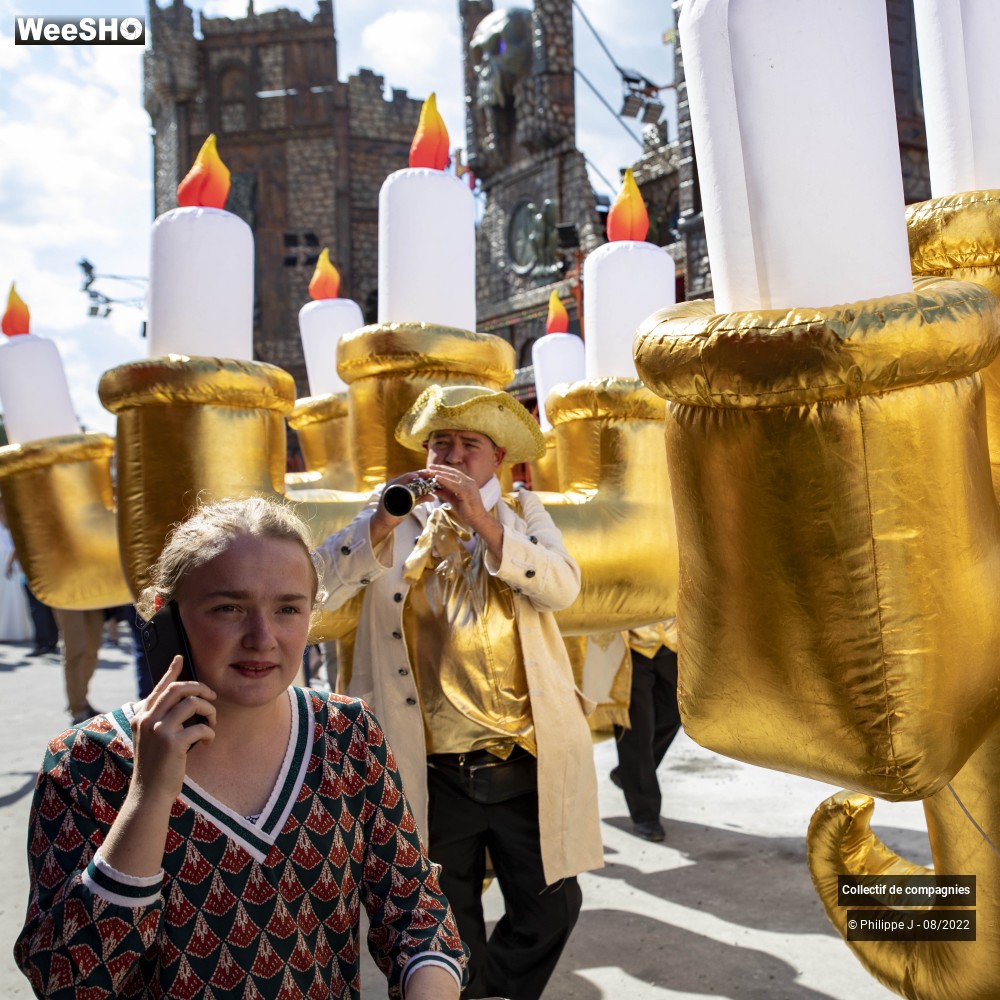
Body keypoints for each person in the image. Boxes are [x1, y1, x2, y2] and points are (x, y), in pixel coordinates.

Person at [15, 497, 468, 999]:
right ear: (166, 619)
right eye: (229, 607)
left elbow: (415, 912)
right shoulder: (87, 760)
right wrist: (149, 795)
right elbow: (66, 980)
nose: (262, 637)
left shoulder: (348, 735)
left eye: (287, 609)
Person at [318, 385, 603, 1000]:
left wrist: (483, 522)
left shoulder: (524, 513)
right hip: (429, 770)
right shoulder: (389, 514)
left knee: (554, 904)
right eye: (439, 443)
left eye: (468, 445)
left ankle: (490, 992)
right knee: (443, 925)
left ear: (497, 457)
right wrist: (381, 521)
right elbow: (319, 587)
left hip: (522, 761)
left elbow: (562, 586)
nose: (452, 456)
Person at [610, 620, 682, 842]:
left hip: (671, 638)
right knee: (636, 731)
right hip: (628, 642)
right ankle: (645, 815)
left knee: (677, 712)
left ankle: (628, 774)